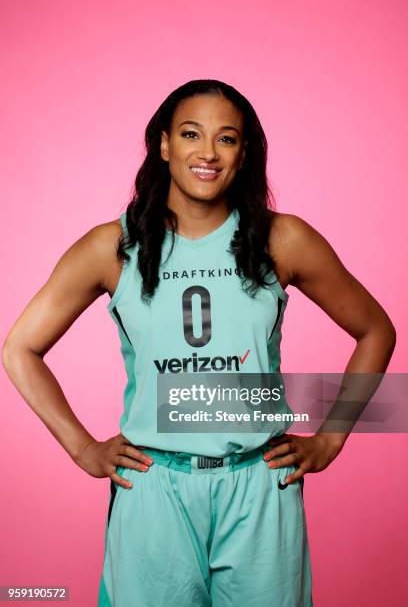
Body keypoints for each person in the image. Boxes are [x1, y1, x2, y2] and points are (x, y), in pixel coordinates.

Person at [2, 79, 396, 607]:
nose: (207, 153)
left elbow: (377, 330)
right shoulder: (112, 247)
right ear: (164, 145)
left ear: (245, 152)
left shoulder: (284, 240)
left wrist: (329, 438)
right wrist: (82, 448)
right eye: (191, 134)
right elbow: (19, 349)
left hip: (258, 486)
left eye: (226, 139)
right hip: (154, 486)